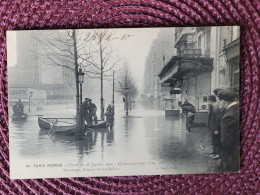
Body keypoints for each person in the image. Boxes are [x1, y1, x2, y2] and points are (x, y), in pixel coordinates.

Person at [218, 89, 240, 172]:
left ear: (223, 101)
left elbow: (226, 141)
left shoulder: (228, 116)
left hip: (232, 154)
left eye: (219, 101)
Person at [207, 95, 222, 159]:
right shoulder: (213, 106)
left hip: (215, 127)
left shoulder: (216, 107)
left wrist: (216, 129)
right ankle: (215, 152)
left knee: (216, 140)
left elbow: (217, 119)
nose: (208, 102)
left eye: (208, 100)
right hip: (213, 126)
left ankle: (217, 154)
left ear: (211, 100)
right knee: (214, 140)